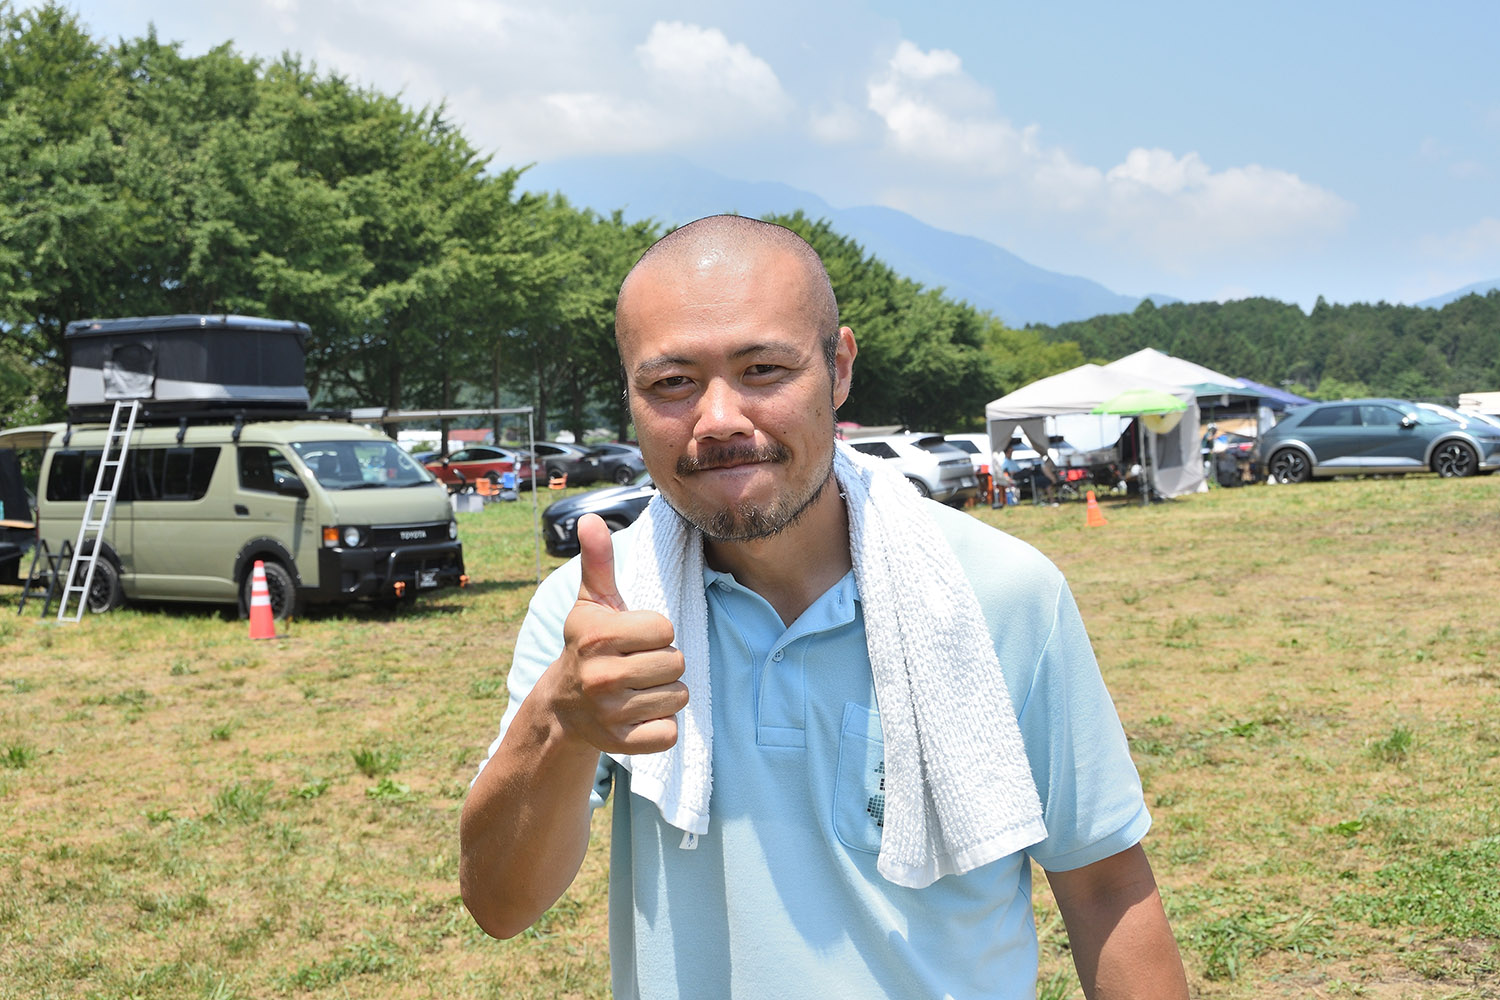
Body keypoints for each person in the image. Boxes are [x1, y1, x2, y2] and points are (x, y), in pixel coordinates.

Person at [460, 216, 1189, 999]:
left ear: (838, 370)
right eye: (671, 382)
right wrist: (562, 722)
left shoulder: (1001, 594)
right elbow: (500, 907)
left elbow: (1105, 888)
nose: (718, 419)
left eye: (764, 369)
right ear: (631, 397)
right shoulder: (597, 619)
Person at [990, 440, 1022, 507]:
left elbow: (1019, 469)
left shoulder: (1012, 461)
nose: (1011, 453)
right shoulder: (1004, 462)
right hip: (1011, 478)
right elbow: (1005, 473)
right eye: (1010, 452)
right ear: (1006, 452)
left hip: (1019, 475)